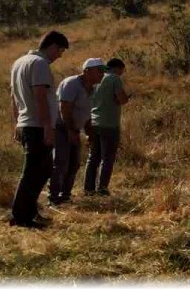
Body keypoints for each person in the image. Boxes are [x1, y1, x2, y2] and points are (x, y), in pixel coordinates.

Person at [9, 30, 70, 228]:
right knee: (33, 172)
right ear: (52, 45)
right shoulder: (40, 63)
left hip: (27, 124)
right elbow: (40, 96)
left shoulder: (19, 62)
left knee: (41, 171)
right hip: (37, 126)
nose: (59, 56)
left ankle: (29, 212)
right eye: (60, 51)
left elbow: (13, 98)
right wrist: (47, 127)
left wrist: (16, 123)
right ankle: (20, 217)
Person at [49, 58, 106, 205]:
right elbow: (64, 108)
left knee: (74, 164)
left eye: (103, 71)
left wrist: (89, 134)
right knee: (61, 163)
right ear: (87, 71)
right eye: (99, 71)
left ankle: (65, 196)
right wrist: (70, 131)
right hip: (62, 128)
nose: (102, 74)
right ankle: (53, 198)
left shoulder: (92, 89)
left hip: (74, 129)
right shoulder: (71, 84)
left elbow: (87, 114)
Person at [85, 58, 130, 196]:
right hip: (109, 124)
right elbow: (121, 99)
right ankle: (102, 188)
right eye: (121, 71)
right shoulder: (114, 79)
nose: (121, 74)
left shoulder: (95, 79)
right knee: (107, 157)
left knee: (93, 157)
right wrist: (126, 98)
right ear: (117, 68)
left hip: (93, 122)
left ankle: (88, 189)